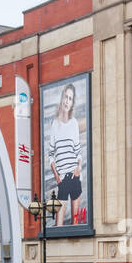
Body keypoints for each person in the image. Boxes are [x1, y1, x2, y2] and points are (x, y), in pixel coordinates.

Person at [47, 83, 83, 225]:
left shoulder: (74, 123)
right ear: (62, 98)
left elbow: (77, 150)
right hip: (62, 178)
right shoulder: (55, 124)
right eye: (66, 97)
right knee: (58, 224)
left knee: (76, 223)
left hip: (75, 175)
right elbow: (50, 153)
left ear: (72, 103)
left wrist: (79, 166)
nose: (67, 101)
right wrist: (56, 175)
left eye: (70, 98)